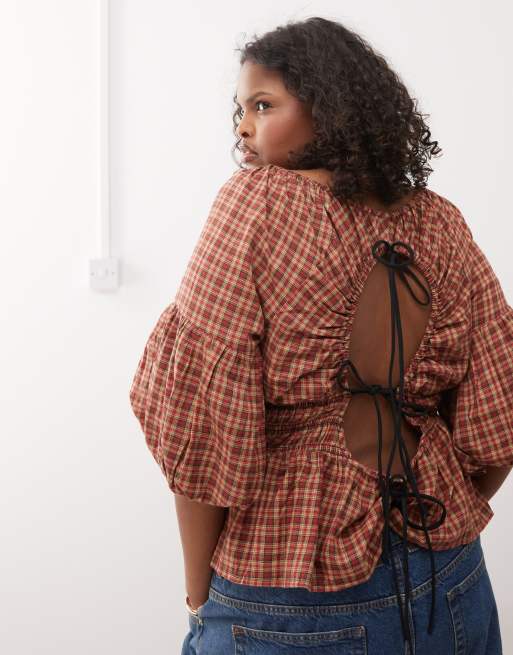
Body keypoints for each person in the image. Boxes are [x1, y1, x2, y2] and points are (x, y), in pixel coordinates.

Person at [129, 16, 512, 655]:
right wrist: (444, 506)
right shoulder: (439, 221)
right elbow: (498, 404)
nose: (243, 126)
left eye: (263, 104)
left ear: (329, 109)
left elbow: (204, 424)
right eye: (240, 110)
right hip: (451, 574)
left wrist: (199, 596)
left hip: (294, 587)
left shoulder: (254, 204)